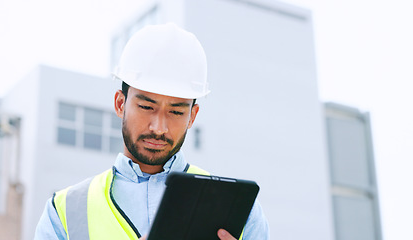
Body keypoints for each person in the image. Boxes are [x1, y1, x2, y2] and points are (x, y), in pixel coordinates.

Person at [34, 23, 269, 240]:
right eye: (147, 107)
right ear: (120, 104)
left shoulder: (239, 209)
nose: (159, 128)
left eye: (176, 112)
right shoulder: (65, 212)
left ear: (192, 116)